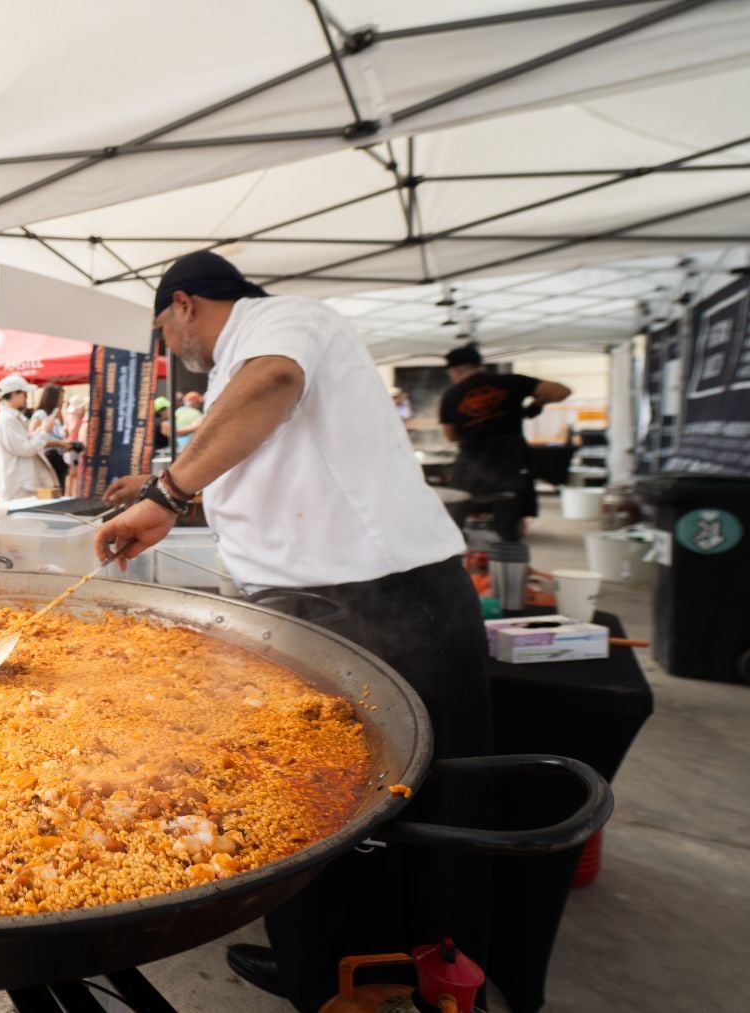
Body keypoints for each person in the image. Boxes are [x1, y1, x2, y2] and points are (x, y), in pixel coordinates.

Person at [94, 251, 489, 1011]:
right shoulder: (240, 356)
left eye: (163, 329)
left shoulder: (282, 321)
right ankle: (324, 965)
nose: (170, 345)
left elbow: (274, 382)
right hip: (323, 604)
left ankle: (396, 974)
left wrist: (166, 495)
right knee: (320, 801)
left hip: (379, 602)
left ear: (184, 304)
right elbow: (273, 453)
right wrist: (173, 491)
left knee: (370, 803)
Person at [439, 345, 570, 541]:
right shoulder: (511, 381)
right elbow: (561, 391)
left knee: (458, 510)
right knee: (508, 512)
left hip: (472, 462)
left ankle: (457, 552)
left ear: (456, 370)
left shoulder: (452, 394)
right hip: (510, 461)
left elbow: (450, 436)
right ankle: (507, 552)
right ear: (479, 366)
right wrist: (537, 404)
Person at [0, 374, 73, 501]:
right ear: (14, 394)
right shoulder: (7, 420)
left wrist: (42, 430)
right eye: (24, 394)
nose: (26, 398)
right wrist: (44, 431)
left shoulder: (12, 418)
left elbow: (26, 442)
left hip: (22, 486)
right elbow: (26, 449)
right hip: (18, 489)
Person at [30, 382, 70, 490]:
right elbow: (32, 438)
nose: (62, 401)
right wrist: (58, 443)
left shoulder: (56, 416)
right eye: (60, 398)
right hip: (48, 460)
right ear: (53, 399)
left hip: (58, 460)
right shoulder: (40, 415)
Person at [64, 392, 90, 495]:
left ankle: (72, 494)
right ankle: (69, 494)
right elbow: (72, 430)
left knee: (75, 473)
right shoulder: (72, 415)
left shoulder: (76, 416)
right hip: (72, 446)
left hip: (76, 446)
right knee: (72, 473)